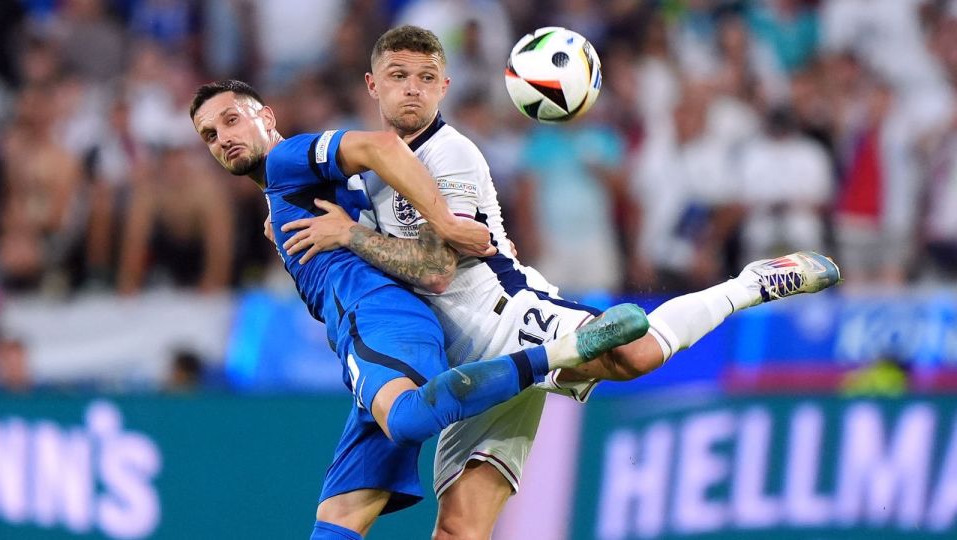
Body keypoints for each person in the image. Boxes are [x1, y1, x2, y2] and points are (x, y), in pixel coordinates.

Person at [278, 25, 843, 539]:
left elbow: (437, 270)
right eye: (398, 76)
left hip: (501, 314)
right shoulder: (360, 167)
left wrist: (351, 235)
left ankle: (751, 283)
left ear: (444, 88)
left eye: (426, 78)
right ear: (372, 85)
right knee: (459, 531)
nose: (412, 89)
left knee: (636, 354)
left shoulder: (451, 154)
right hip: (460, 367)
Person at [189, 79, 649, 540]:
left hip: (375, 317)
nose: (224, 138)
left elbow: (383, 146)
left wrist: (446, 224)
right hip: (369, 328)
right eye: (210, 134)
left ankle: (559, 352)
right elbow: (376, 196)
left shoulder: (287, 159)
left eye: (232, 120)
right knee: (337, 521)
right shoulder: (292, 189)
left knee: (407, 419)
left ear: (266, 117)